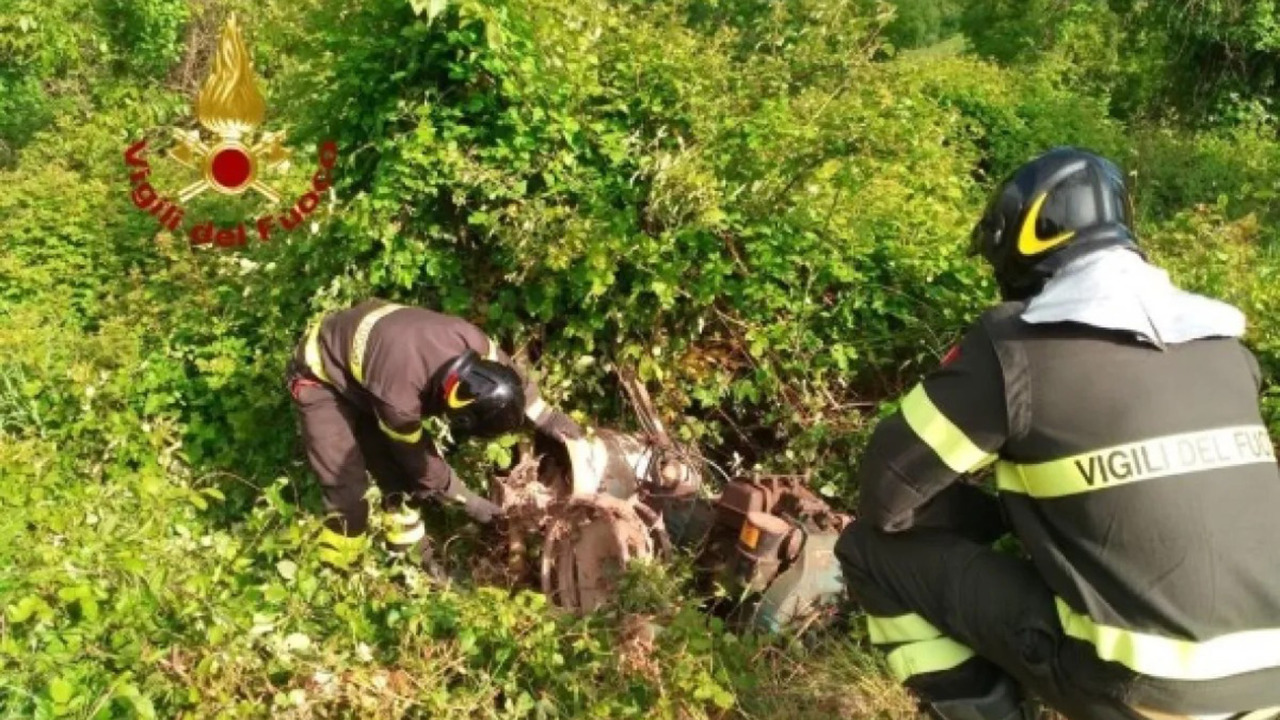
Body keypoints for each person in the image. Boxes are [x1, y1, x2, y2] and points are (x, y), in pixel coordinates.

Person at [835, 147, 1280, 720]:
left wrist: (981, 518)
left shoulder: (1014, 345)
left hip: (1144, 690)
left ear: (1019, 247)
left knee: (870, 552)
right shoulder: (1224, 346)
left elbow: (886, 492)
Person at [285, 299, 583, 571]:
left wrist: (547, 416)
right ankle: (335, 578)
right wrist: (467, 500)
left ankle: (412, 561)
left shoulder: (471, 341)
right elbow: (417, 460)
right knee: (349, 495)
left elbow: (509, 373)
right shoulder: (399, 401)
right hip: (320, 376)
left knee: (395, 484)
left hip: (370, 368)